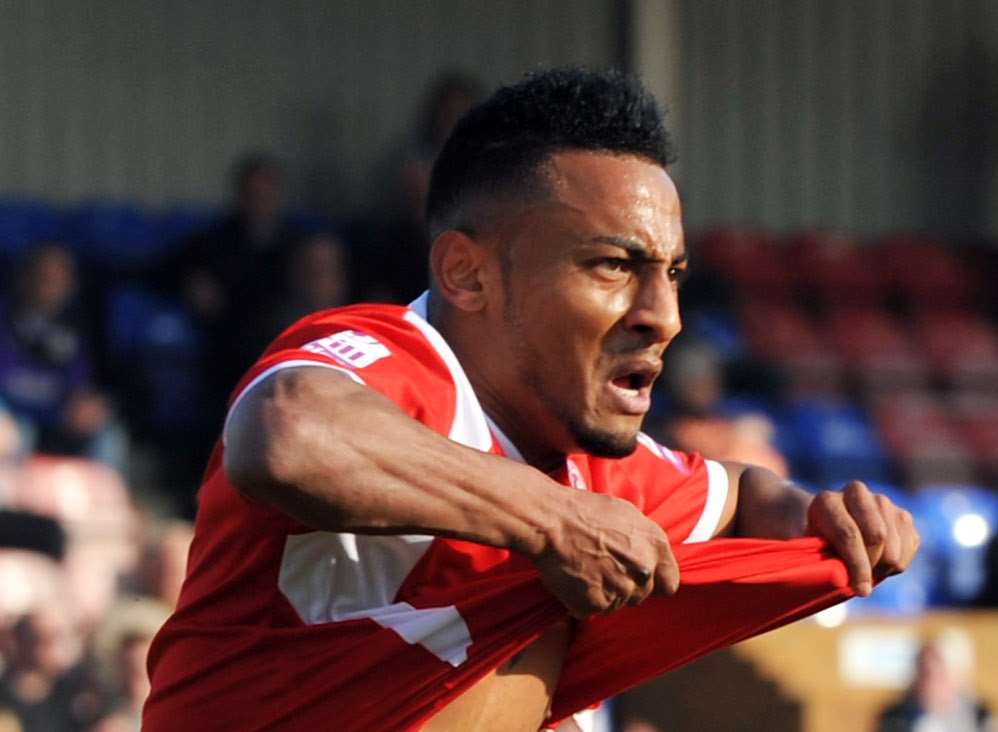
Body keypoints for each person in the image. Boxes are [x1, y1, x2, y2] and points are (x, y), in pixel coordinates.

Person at [144, 68, 919, 731]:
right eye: (615, 265)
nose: (665, 316)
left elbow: (743, 497)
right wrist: (553, 522)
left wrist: (818, 517)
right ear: (467, 274)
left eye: (674, 275)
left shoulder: (588, 458)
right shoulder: (402, 364)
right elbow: (287, 433)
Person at [876, 634, 994, 732]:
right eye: (924, 671)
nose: (930, 683)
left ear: (958, 676)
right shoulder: (894, 719)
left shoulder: (981, 716)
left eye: (940, 673)